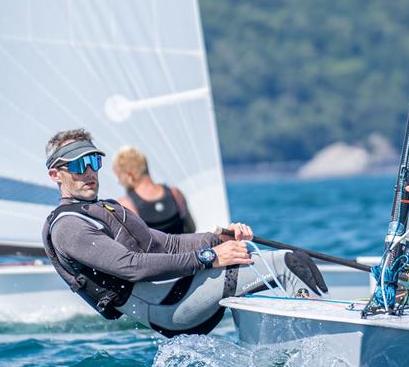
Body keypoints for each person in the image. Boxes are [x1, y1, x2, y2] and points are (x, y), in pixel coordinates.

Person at [41, 128, 327, 337]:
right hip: (169, 308)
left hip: (174, 295)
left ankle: (276, 352)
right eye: (79, 165)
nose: (90, 172)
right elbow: (131, 267)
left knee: (247, 253)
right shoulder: (69, 226)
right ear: (56, 174)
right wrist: (208, 257)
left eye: (94, 162)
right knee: (292, 263)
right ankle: (323, 346)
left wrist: (219, 240)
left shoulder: (107, 208)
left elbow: (165, 243)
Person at [112, 145, 195, 234]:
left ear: (130, 175)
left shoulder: (126, 205)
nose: (119, 182)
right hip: (183, 246)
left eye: (119, 177)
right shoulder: (175, 193)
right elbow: (192, 229)